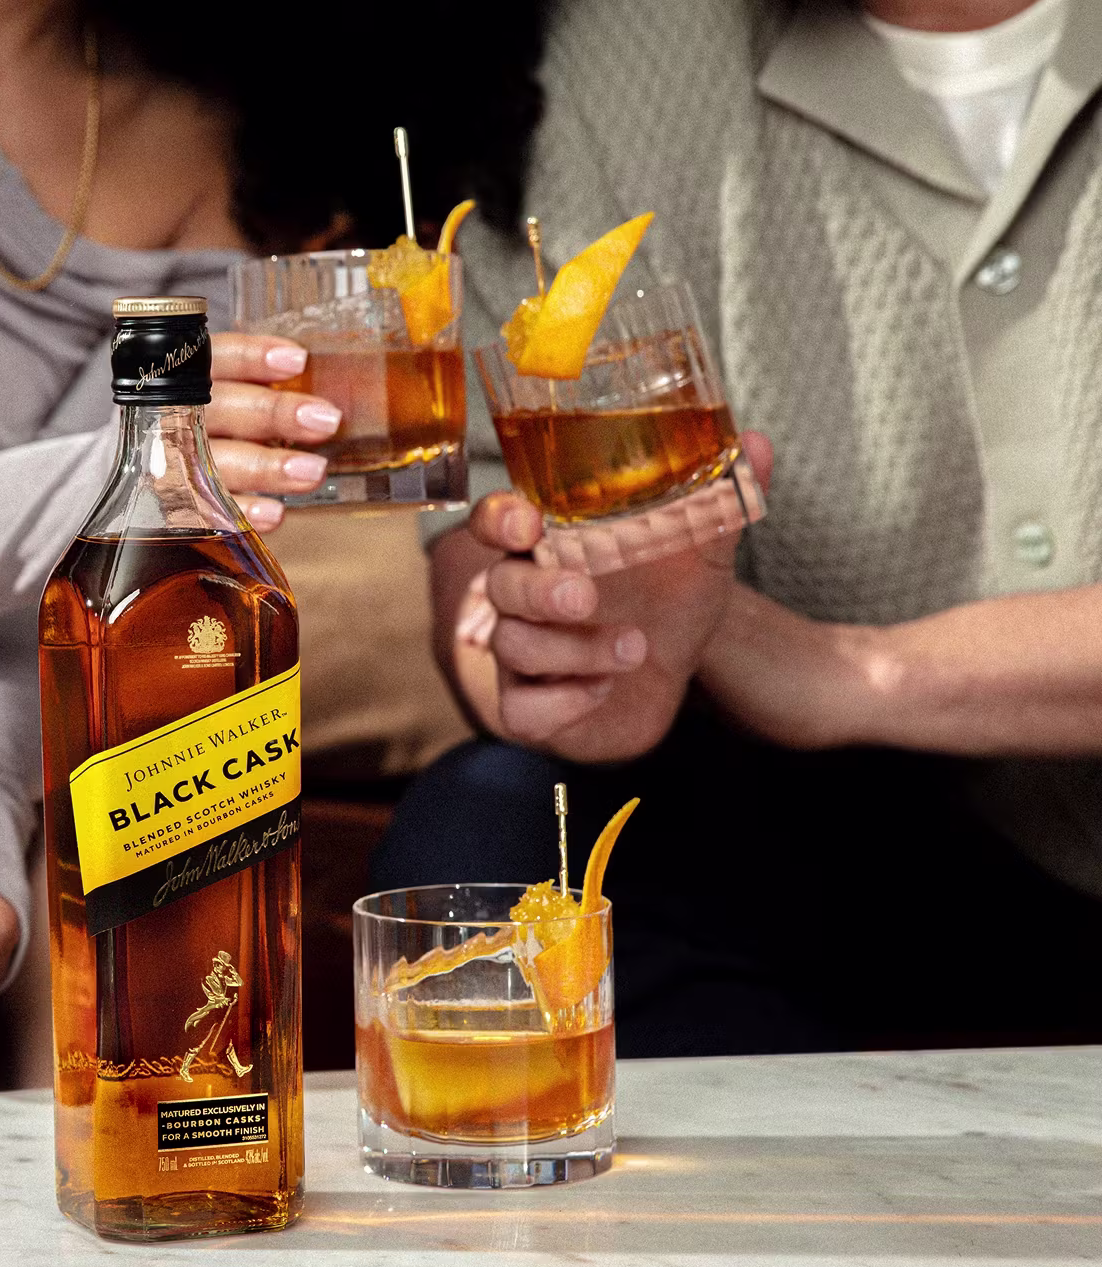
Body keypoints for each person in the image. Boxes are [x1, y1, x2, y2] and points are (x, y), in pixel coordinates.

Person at [0, 0, 545, 1124]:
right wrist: (149, 457)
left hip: (35, 727)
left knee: (145, 852)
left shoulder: (206, 135)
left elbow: (36, 596)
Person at [376, 0, 1102, 1056]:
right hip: (837, 870)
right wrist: (589, 643)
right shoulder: (614, 49)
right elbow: (490, 537)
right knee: (488, 830)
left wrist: (836, 670)